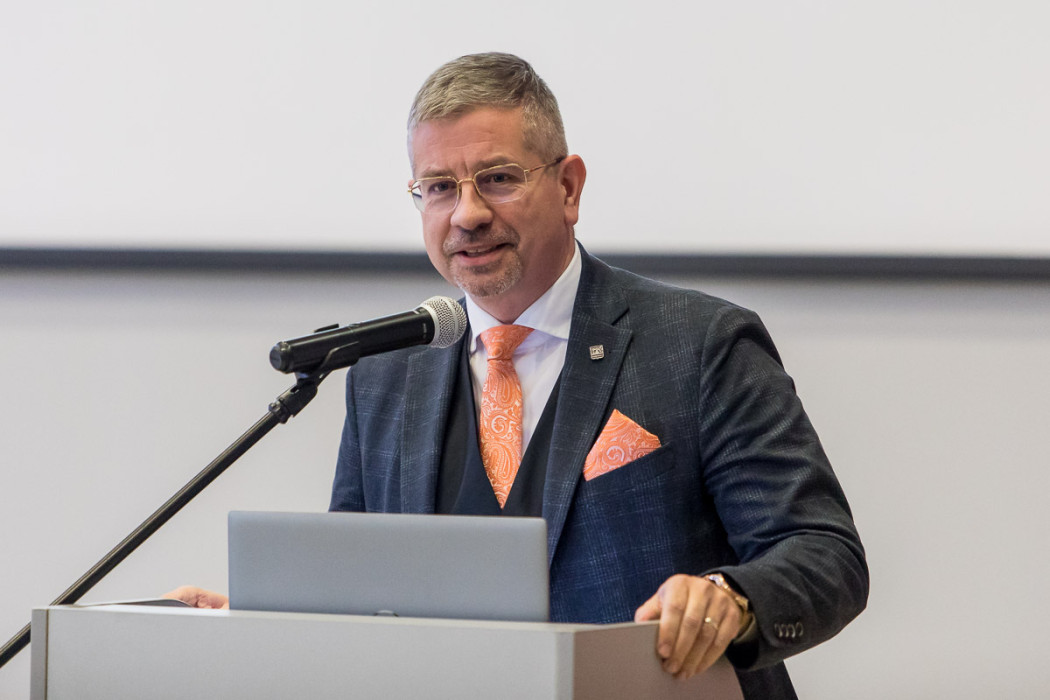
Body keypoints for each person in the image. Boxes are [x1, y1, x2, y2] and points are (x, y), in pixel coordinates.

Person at [171, 52, 867, 698]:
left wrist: (731, 599)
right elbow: (362, 590)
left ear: (568, 187)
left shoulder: (700, 343)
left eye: (498, 179)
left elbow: (824, 555)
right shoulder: (384, 375)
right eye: (438, 188)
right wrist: (268, 621)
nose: (467, 214)